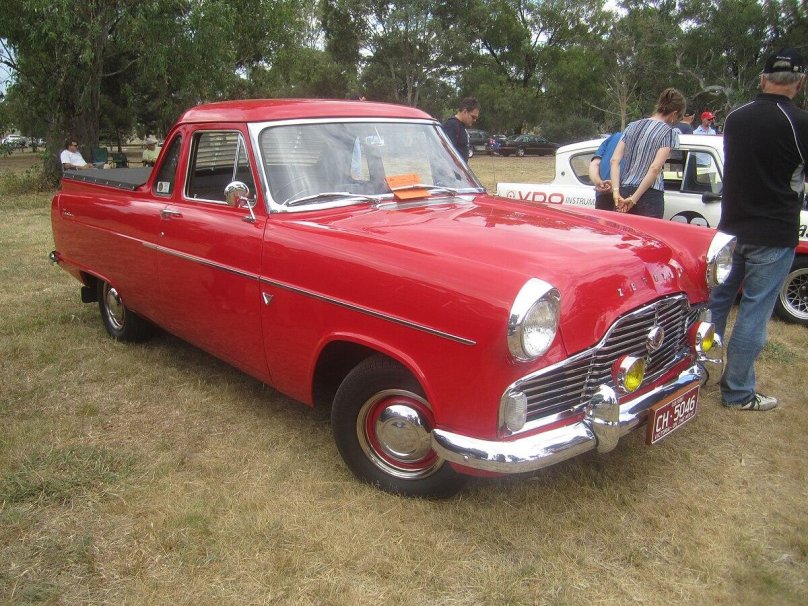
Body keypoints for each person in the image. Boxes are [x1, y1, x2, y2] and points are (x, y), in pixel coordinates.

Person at [708, 48, 808, 411]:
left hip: (731, 228)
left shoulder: (736, 118)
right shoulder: (800, 122)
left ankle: (700, 372)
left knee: (716, 304)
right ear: (800, 83)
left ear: (763, 79)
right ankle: (737, 392)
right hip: (774, 232)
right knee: (754, 312)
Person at [610, 88, 685, 218]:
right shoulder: (668, 133)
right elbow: (655, 168)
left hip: (624, 190)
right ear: (674, 114)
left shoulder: (632, 126)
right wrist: (634, 199)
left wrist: (616, 192)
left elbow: (614, 160)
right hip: (650, 195)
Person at [588, 132, 622, 210]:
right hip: (623, 196)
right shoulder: (642, 137)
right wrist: (599, 183)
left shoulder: (613, 137)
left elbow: (595, 163)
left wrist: (599, 183)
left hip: (604, 194)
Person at [442, 97, 480, 161]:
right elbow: (446, 153)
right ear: (465, 111)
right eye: (473, 117)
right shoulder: (452, 125)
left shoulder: (461, 126)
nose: (475, 120)